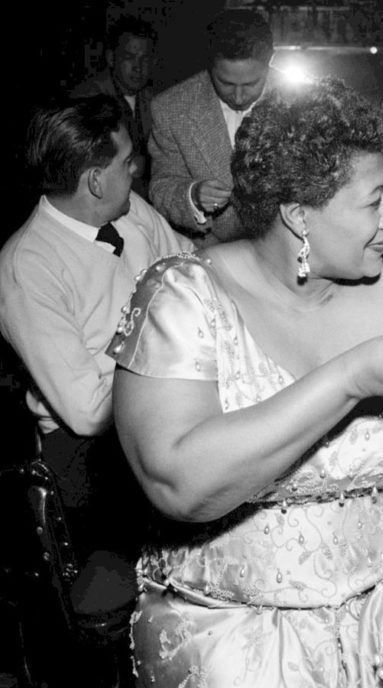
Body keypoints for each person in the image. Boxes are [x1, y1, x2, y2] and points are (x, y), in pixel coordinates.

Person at [107, 79, 383, 688]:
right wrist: (349, 379)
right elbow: (179, 485)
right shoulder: (183, 300)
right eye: (374, 201)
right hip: (232, 622)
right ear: (298, 215)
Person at [0, 95, 193, 558]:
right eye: (126, 162)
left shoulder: (129, 209)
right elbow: (88, 411)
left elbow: (192, 267)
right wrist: (173, 357)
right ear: (94, 181)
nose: (137, 168)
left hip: (166, 402)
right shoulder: (28, 266)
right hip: (92, 453)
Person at [148, 9, 273, 246]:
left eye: (251, 84)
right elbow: (161, 185)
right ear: (210, 65)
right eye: (225, 83)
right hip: (210, 248)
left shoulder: (303, 102)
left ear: (270, 62)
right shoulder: (170, 108)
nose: (238, 97)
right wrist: (192, 196)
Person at [71, 15, 157, 199]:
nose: (138, 67)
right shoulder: (88, 100)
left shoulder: (157, 101)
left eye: (145, 59)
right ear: (111, 58)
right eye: (130, 57)